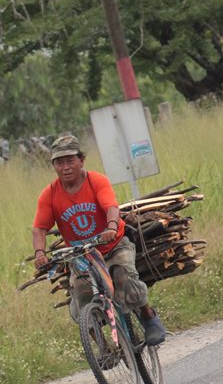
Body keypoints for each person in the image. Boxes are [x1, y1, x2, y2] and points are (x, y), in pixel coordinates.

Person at [32, 135, 166, 345]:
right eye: (59, 162)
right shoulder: (49, 194)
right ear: (53, 165)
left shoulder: (96, 181)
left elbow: (111, 207)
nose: (65, 167)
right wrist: (40, 253)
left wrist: (111, 227)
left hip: (114, 245)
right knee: (82, 294)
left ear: (81, 160)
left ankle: (148, 316)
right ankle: (102, 347)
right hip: (81, 255)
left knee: (123, 278)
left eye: (70, 160)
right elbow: (39, 228)